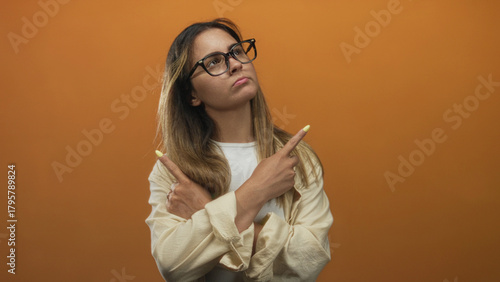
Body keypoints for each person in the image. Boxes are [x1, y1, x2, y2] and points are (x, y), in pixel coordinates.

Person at [145, 18, 333, 281]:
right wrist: (257, 190)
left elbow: (308, 262)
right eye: (213, 62)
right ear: (192, 95)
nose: (234, 64)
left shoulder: (298, 158)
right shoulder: (173, 171)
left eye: (236, 52)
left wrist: (204, 209)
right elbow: (173, 266)